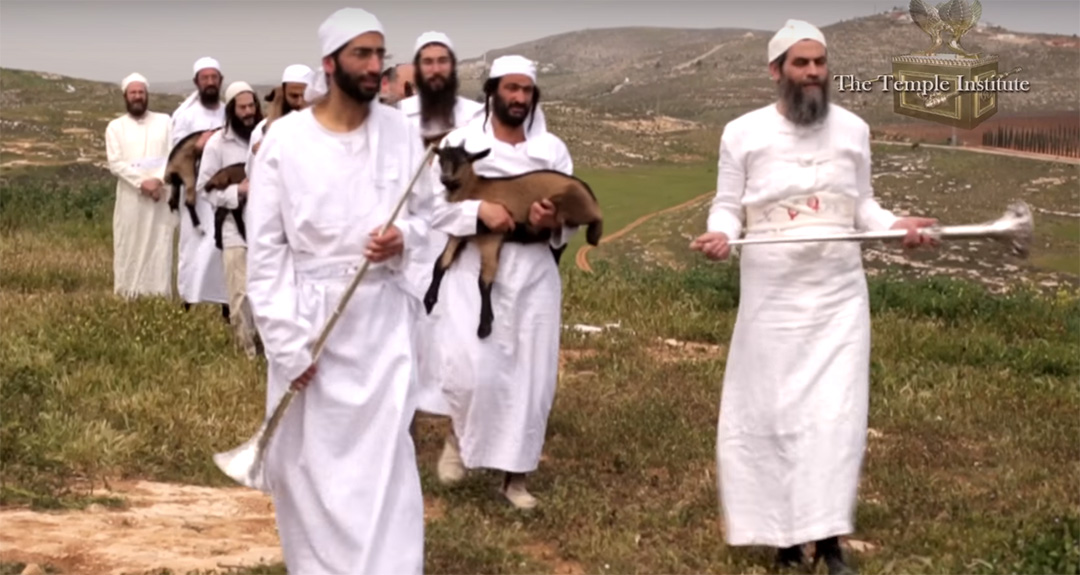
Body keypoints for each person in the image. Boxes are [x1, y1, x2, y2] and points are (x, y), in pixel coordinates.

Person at [688, 19, 939, 575]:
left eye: (819, 63)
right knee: (775, 414)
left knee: (835, 418)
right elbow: (729, 205)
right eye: (800, 64)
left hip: (838, 298)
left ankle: (828, 539)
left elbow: (863, 207)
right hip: (772, 299)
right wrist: (723, 234)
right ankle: (782, 538)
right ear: (776, 71)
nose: (813, 73)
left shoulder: (853, 130)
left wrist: (897, 225)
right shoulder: (742, 132)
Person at [245, 7, 431, 574]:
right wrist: (285, 341)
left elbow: (432, 216)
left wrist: (404, 237)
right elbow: (267, 251)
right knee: (311, 469)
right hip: (308, 324)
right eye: (363, 54)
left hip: (382, 326)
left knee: (385, 464)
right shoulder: (284, 139)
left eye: (381, 54)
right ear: (331, 63)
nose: (377, 66)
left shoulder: (402, 134)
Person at [428, 55, 576, 509]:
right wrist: (478, 211)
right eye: (510, 89)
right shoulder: (460, 142)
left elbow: (572, 211)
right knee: (472, 369)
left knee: (529, 380)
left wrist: (554, 220)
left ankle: (516, 478)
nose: (518, 98)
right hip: (475, 270)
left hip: (533, 275)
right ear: (492, 91)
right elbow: (432, 208)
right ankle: (459, 436)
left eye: (526, 91)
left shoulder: (551, 150)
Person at [397, 30, 485, 483]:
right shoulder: (396, 119)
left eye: (442, 61)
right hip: (409, 253)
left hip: (460, 252)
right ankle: (402, 446)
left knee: (462, 351)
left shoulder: (475, 118)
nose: (435, 69)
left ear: (453, 68)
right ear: (416, 69)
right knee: (405, 352)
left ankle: (457, 440)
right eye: (426, 61)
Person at [197, 81, 263, 358]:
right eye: (242, 107)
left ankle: (268, 350)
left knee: (264, 291)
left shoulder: (265, 136)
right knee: (239, 293)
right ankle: (247, 353)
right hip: (233, 227)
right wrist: (239, 191)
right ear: (231, 110)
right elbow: (204, 189)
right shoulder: (217, 144)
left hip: (264, 228)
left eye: (251, 106)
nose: (248, 112)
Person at [104, 72, 175, 299]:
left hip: (161, 196)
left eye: (141, 92)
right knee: (129, 244)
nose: (137, 97)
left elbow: (174, 154)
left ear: (147, 95)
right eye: (133, 93)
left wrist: (159, 181)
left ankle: (159, 294)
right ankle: (128, 293)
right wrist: (141, 183)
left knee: (159, 244)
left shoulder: (165, 122)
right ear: (126, 96)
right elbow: (115, 163)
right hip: (131, 198)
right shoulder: (115, 127)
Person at [171, 56, 229, 319]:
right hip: (195, 195)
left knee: (221, 246)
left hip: (222, 192)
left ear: (220, 80)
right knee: (194, 247)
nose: (209, 82)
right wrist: (197, 147)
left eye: (213, 78)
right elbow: (176, 152)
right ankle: (189, 299)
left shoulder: (229, 111)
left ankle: (224, 301)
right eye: (204, 78)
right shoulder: (185, 115)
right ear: (197, 82)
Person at [247, 63, 312, 168]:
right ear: (284, 92)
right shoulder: (262, 131)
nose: (300, 102)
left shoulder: (325, 128)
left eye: (304, 95)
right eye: (294, 96)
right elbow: (251, 173)